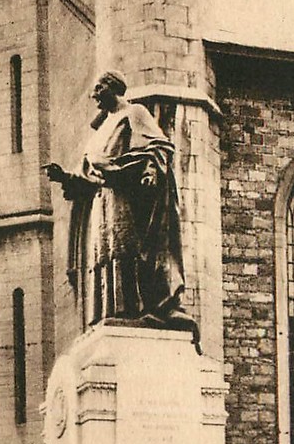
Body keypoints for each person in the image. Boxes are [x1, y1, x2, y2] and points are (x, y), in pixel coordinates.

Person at [45, 71, 199, 348]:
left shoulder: (134, 112)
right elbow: (89, 177)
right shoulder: (100, 131)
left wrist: (151, 170)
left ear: (111, 87)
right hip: (101, 202)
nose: (93, 95)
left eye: (98, 88)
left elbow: (158, 146)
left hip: (125, 199)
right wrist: (65, 177)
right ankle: (112, 313)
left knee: (127, 249)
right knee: (104, 254)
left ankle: (136, 309)